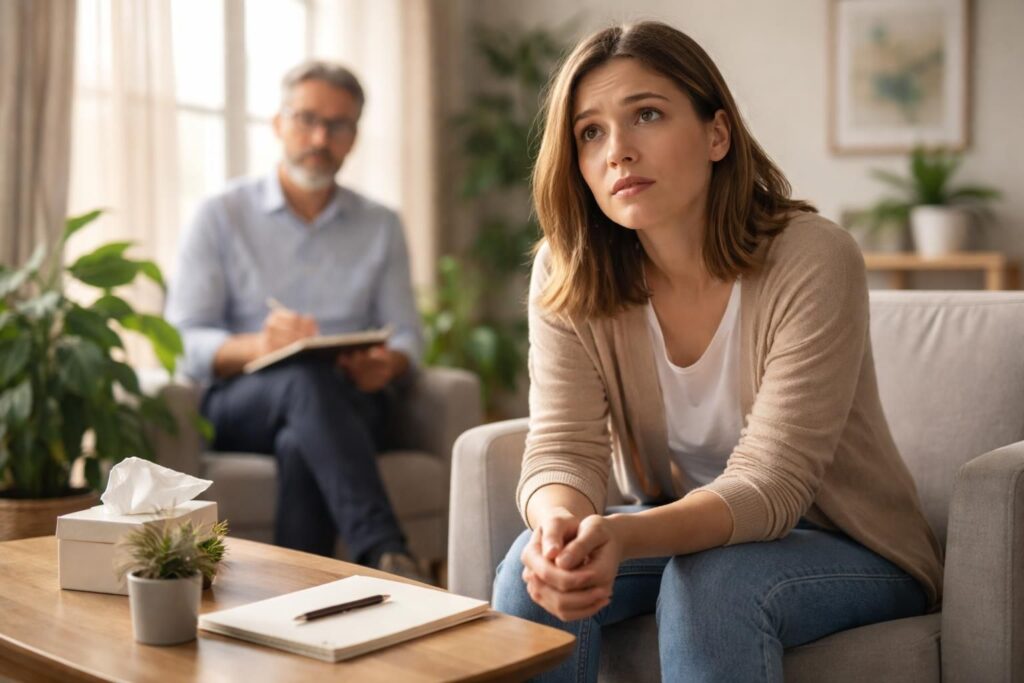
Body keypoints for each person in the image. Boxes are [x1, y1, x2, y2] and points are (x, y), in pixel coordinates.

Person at [492, 21, 943, 682]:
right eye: (590, 131)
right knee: (525, 568)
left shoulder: (813, 257)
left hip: (849, 544)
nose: (617, 150)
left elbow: (773, 484)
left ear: (716, 134)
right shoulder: (570, 269)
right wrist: (561, 528)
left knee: (714, 582)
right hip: (679, 534)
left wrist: (622, 536)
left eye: (646, 114)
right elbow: (562, 447)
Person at [165, 60, 428, 582]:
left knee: (301, 434)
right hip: (243, 403)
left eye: (338, 125)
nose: (319, 137)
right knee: (302, 380)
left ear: (354, 136)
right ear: (278, 123)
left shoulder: (381, 224)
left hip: (352, 398)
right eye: (306, 118)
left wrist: (389, 363)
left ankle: (294, 596)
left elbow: (408, 334)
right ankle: (385, 552)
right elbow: (183, 340)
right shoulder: (219, 214)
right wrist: (257, 345)